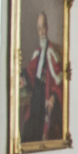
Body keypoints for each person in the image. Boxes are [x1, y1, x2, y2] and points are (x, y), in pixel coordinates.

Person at [20, 11, 63, 142]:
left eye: (43, 27)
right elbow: (31, 72)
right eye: (39, 28)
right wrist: (23, 79)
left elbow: (59, 81)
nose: (41, 31)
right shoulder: (37, 53)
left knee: (39, 131)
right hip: (35, 98)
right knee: (26, 131)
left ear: (47, 28)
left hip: (45, 97)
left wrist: (53, 98)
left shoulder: (52, 53)